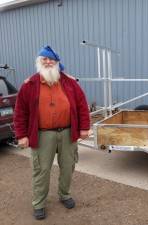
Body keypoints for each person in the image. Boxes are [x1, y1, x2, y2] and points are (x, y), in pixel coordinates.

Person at [13, 46, 90, 220]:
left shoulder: (70, 83)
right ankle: (39, 203)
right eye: (44, 59)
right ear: (39, 62)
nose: (48, 62)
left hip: (68, 133)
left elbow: (81, 105)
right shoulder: (29, 85)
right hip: (42, 135)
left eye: (51, 60)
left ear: (57, 63)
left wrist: (84, 127)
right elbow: (20, 112)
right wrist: (22, 135)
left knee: (68, 167)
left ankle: (65, 194)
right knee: (41, 170)